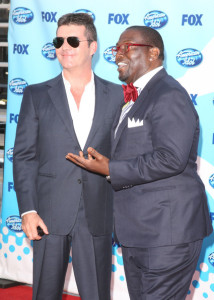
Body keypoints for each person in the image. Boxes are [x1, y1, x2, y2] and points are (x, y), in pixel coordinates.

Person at [66, 26, 213, 300]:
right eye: (116, 49)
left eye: (127, 47)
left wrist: (111, 169)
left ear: (154, 53)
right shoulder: (135, 97)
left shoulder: (168, 94)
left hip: (166, 235)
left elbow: (171, 158)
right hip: (139, 232)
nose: (118, 54)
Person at [13, 13, 123, 300]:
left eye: (73, 40)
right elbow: (24, 156)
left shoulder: (117, 95)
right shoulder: (36, 95)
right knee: (44, 294)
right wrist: (28, 210)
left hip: (98, 212)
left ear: (93, 47)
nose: (64, 46)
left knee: (97, 294)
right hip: (48, 212)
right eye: (59, 40)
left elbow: (123, 156)